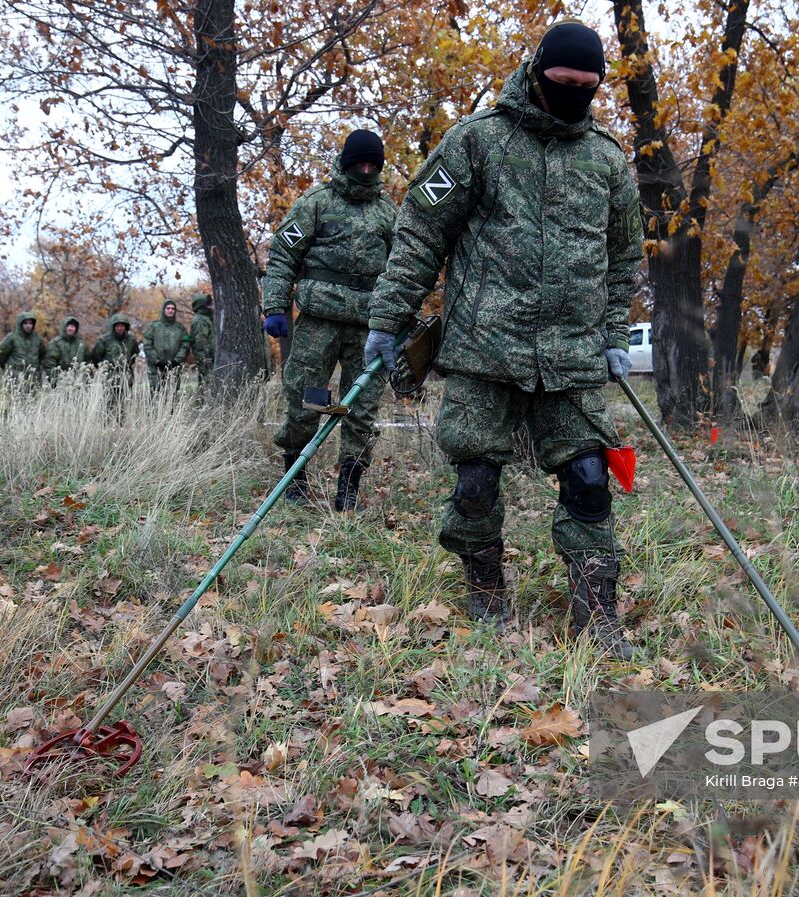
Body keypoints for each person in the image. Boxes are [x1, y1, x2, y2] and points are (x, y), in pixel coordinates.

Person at [363, 20, 643, 657]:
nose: (574, 94)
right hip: (483, 349)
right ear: (537, 71)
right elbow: (420, 235)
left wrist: (613, 335)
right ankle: (486, 588)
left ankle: (597, 613)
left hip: (573, 355)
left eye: (587, 86)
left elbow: (624, 255)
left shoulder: (606, 159)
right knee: (476, 483)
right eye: (563, 82)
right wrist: (387, 317)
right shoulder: (477, 141)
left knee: (590, 479)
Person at [262, 128, 398, 511]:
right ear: (347, 162)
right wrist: (275, 307)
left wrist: (399, 320)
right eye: (360, 164)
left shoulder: (389, 214)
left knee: (361, 408)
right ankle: (296, 478)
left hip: (368, 327)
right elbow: (283, 255)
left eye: (373, 165)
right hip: (318, 323)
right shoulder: (316, 203)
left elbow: (405, 269)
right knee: (309, 400)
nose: (366, 170)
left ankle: (348, 489)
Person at [87, 313, 140, 406]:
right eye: (118, 326)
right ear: (113, 327)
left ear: (126, 327)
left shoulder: (131, 340)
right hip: (109, 375)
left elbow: (135, 354)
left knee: (124, 403)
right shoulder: (104, 339)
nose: (120, 328)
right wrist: (103, 368)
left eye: (122, 326)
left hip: (126, 375)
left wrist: (128, 365)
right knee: (107, 403)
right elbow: (95, 355)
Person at [142, 300, 189, 393]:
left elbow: (185, 345)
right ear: (163, 310)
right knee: (156, 394)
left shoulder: (180, 328)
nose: (170, 310)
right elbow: (147, 345)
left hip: (174, 368)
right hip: (156, 368)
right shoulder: (153, 326)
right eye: (168, 308)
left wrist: (176, 361)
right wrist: (157, 361)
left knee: (172, 395)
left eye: (173, 309)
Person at [0, 311, 46, 386]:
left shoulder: (37, 339)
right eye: (25, 323)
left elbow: (42, 354)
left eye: (30, 323)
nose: (28, 326)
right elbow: (0, 353)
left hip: (33, 378)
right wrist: (7, 367)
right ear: (20, 324)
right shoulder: (12, 338)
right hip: (15, 378)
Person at [43, 316, 86, 384]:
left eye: (72, 326)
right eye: (68, 326)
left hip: (78, 381)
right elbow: (50, 364)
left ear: (76, 328)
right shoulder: (55, 343)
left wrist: (85, 379)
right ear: (64, 327)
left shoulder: (81, 343)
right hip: (61, 381)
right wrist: (55, 381)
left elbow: (87, 361)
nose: (70, 328)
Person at [189, 294, 216, 394]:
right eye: (208, 304)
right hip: (206, 358)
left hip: (210, 357)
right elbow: (200, 341)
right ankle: (201, 402)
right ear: (202, 305)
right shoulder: (200, 320)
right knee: (206, 383)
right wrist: (205, 358)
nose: (211, 306)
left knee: (208, 382)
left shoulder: (206, 318)